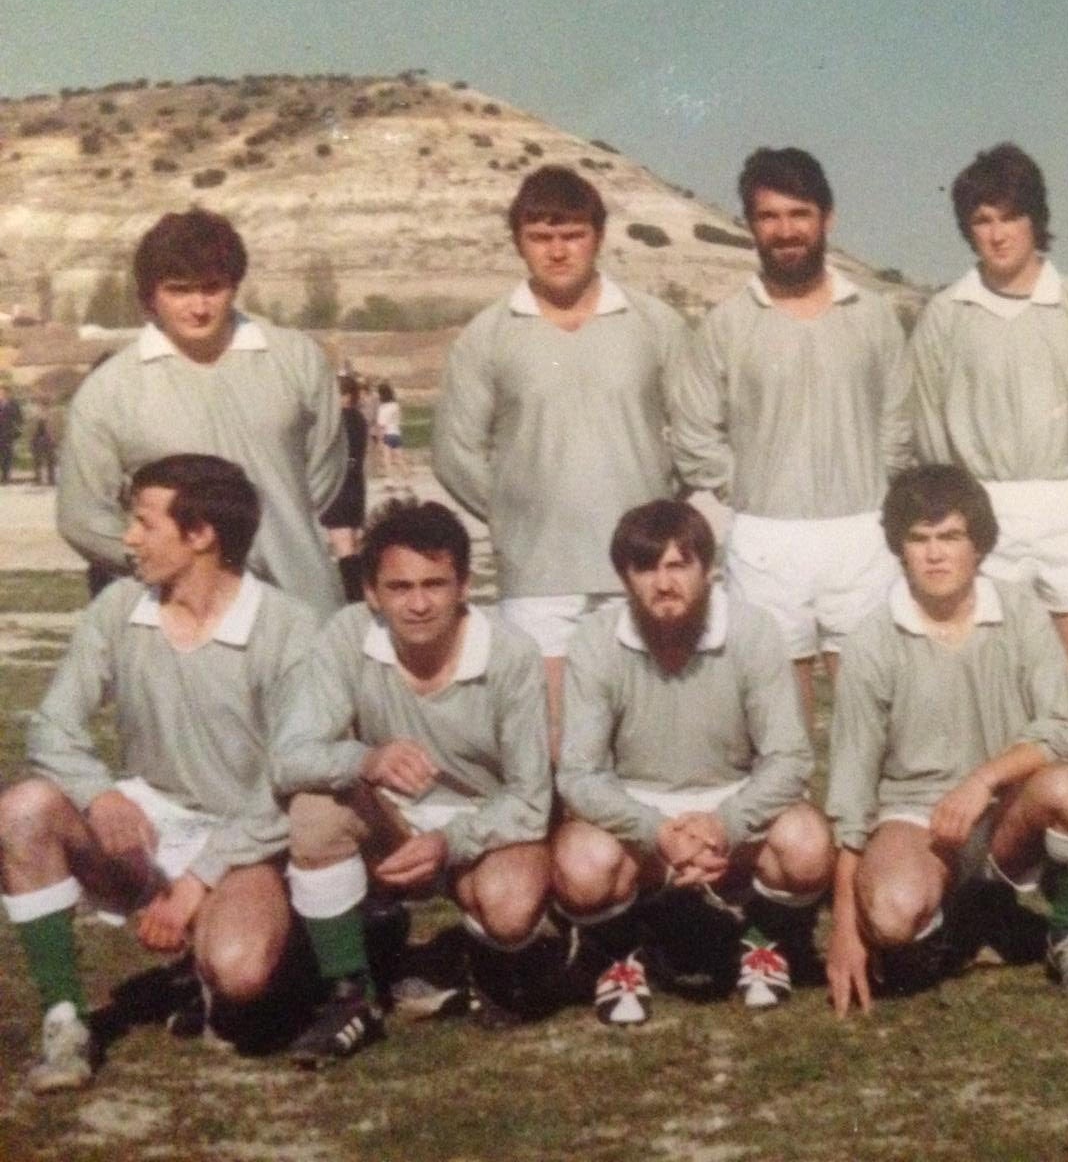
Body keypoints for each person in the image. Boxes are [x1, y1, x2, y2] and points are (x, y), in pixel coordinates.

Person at [0, 454, 316, 1093]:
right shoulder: (119, 608)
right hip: (145, 832)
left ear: (201, 535)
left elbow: (288, 782)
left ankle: (272, 946)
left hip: (245, 836)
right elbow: (53, 727)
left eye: (145, 523)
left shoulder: (288, 627)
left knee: (243, 975)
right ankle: (66, 1024)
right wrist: (103, 795)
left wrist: (200, 880)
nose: (128, 538)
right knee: (24, 807)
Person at [272, 500, 554, 1063]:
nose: (419, 604)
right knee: (314, 811)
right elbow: (288, 758)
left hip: (481, 824)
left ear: (464, 586)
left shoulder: (511, 654)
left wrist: (453, 842)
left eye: (435, 584)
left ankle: (485, 963)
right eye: (399, 587)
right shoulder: (347, 635)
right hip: (392, 822)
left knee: (511, 906)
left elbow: (530, 798)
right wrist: (365, 760)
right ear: (372, 593)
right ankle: (350, 995)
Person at [826, 465, 1068, 1015]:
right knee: (889, 916)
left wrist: (984, 780)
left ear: (977, 545)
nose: (935, 555)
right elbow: (851, 789)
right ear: (900, 549)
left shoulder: (1021, 610)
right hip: (918, 818)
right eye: (919, 539)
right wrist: (845, 925)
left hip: (1006, 807)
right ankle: (962, 919)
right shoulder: (870, 641)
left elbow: (1062, 728)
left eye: (951, 536)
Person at [435, 166, 688, 748]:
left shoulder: (653, 322)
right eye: (540, 236)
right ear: (518, 241)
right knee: (554, 741)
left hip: (642, 567)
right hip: (539, 572)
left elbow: (696, 429)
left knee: (644, 736)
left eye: (571, 234)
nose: (557, 250)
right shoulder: (488, 334)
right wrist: (514, 513)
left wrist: (660, 515)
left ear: (598, 235)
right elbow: (454, 451)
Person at [554, 500, 832, 1025]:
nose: (664, 583)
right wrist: (656, 830)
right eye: (647, 568)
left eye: (679, 564)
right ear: (624, 577)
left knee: (808, 843)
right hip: (639, 810)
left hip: (732, 799)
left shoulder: (752, 631)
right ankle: (621, 955)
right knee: (579, 863)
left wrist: (725, 824)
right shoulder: (596, 638)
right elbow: (579, 774)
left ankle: (763, 943)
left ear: (708, 569)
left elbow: (789, 756)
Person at [908, 143, 1068, 776]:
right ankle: (1009, 860)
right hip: (987, 515)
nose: (997, 234)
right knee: (999, 704)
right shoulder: (944, 316)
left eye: (1009, 216)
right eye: (981, 221)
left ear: (1035, 219)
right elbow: (925, 428)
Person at [671, 147, 913, 723]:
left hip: (862, 532)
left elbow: (898, 420)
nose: (785, 231)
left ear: (827, 218)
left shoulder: (874, 314)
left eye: (799, 214)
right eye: (769, 217)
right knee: (780, 721)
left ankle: (863, 817)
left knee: (872, 712)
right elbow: (694, 429)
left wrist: (873, 488)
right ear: (751, 226)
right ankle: (796, 816)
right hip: (765, 539)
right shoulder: (727, 323)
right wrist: (745, 488)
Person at [57, 209, 346, 617]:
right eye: (179, 290)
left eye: (213, 288)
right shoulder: (110, 390)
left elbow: (321, 476)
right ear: (148, 298)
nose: (198, 307)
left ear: (235, 285)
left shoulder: (296, 359)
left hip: (300, 602)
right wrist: (171, 561)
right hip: (182, 619)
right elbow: (82, 516)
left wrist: (274, 532)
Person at [319, 375, 368, 601]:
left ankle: (353, 596)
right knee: (354, 542)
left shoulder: (336, 422)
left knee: (343, 546)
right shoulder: (359, 418)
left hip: (338, 484)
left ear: (346, 396)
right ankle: (359, 590)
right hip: (356, 483)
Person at [372, 382, 408, 486]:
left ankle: (390, 480)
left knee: (387, 459)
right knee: (399, 459)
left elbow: (382, 425)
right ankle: (407, 479)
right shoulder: (396, 405)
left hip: (387, 434)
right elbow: (400, 419)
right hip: (396, 433)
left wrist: (379, 440)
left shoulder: (383, 408)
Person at [0, 383, 22, 483]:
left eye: (3, 392)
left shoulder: (14, 404)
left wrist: (15, 430)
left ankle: (5, 476)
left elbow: (19, 418)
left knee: (7, 455)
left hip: (7, 434)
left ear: (8, 393)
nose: (1, 394)